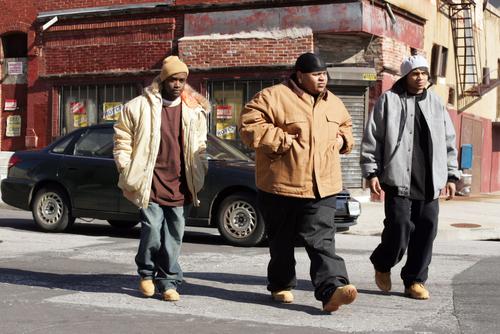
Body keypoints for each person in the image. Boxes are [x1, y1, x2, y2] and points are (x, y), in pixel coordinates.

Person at [239, 52, 357, 312]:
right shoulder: (272, 97)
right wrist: (282, 140)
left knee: (322, 240)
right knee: (281, 242)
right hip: (281, 184)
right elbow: (248, 125)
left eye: (324, 74)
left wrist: (342, 141)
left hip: (322, 185)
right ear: (300, 75)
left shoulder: (334, 103)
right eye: (316, 75)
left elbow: (347, 126)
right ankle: (281, 284)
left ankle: (332, 289)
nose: (322, 79)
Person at [360, 54, 460, 300]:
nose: (421, 78)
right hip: (397, 178)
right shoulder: (389, 101)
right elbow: (374, 137)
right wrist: (371, 171)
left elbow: (449, 141)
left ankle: (414, 280)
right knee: (399, 227)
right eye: (415, 73)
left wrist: (451, 175)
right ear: (405, 76)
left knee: (427, 231)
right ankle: (383, 263)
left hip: (429, 181)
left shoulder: (436, 103)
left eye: (424, 73)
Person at [113, 55, 209, 301]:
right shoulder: (138, 106)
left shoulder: (193, 109)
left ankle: (168, 281)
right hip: (150, 180)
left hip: (181, 181)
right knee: (153, 229)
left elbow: (201, 143)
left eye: (182, 79)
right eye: (173, 79)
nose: (178, 84)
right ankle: (146, 274)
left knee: (174, 235)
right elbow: (122, 140)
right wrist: (125, 167)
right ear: (164, 79)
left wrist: (201, 166)